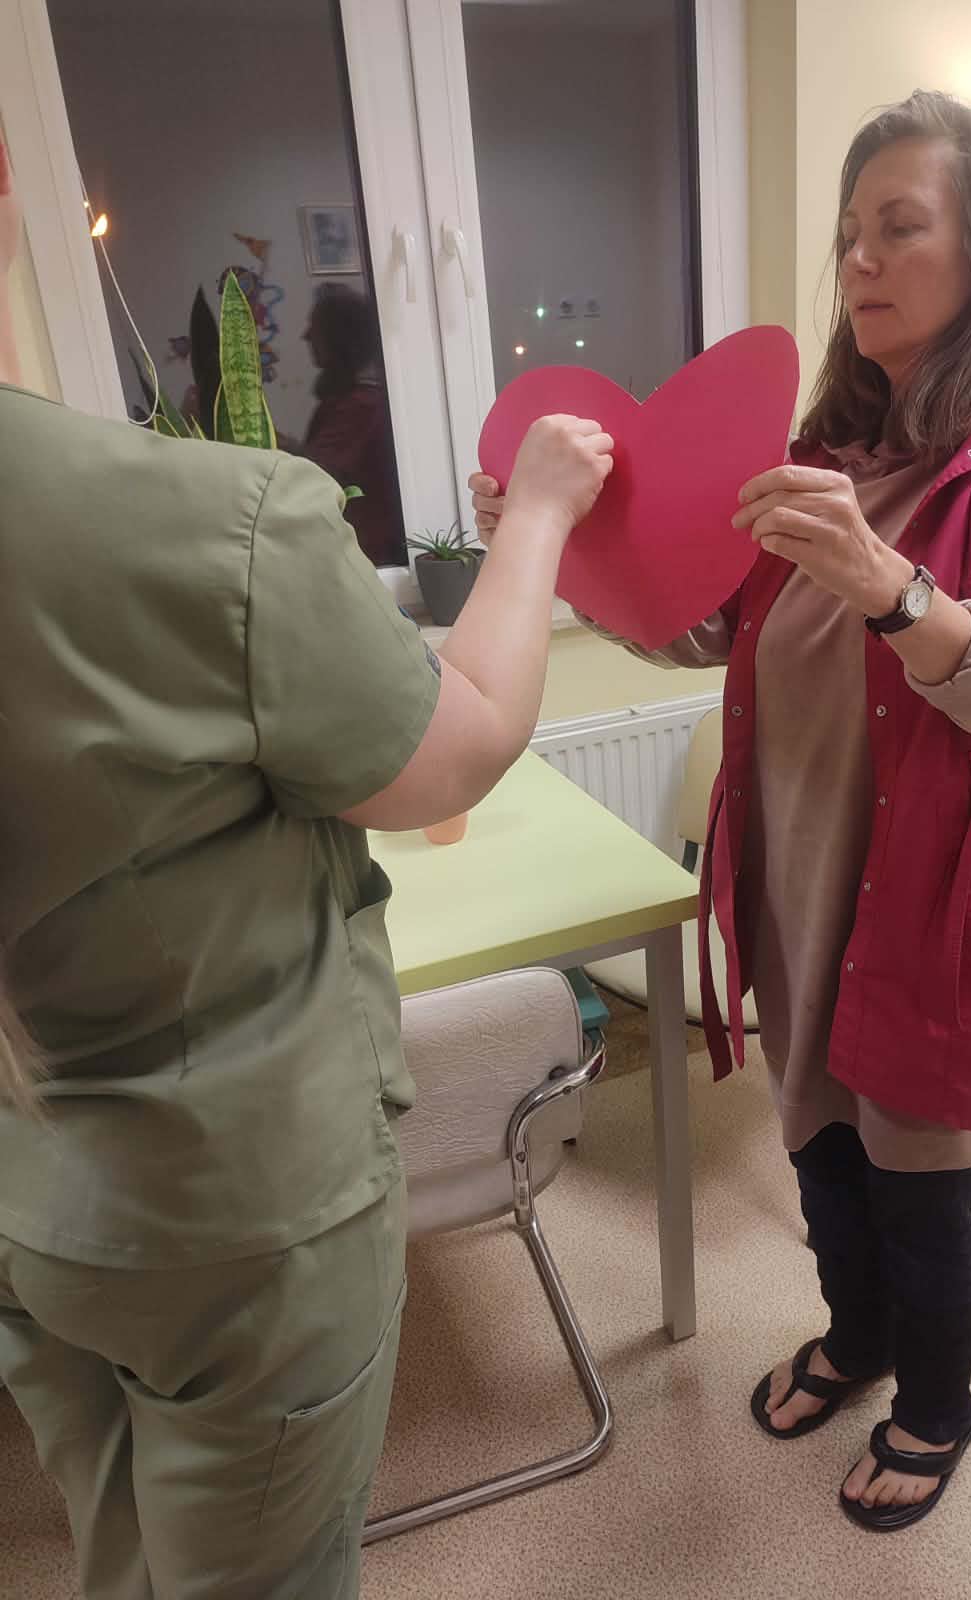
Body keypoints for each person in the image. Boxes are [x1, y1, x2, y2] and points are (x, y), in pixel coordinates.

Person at [472, 90, 971, 1531]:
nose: (859, 260)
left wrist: (889, 584)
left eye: (899, 226)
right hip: (793, 873)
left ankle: (938, 1404)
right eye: (849, 233)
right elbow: (708, 632)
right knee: (818, 1139)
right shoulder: (826, 450)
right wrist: (552, 546)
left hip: (934, 886)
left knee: (918, 1174)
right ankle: (858, 1335)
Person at [0, 135, 612, 1599]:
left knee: (123, 1556)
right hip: (235, 1214)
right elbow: (457, 747)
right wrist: (538, 512)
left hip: (35, 1189)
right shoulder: (210, 517)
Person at [296, 283, 407, 567]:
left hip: (368, 556)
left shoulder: (361, 405)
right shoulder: (347, 399)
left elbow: (315, 474)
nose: (305, 335)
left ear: (338, 338)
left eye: (314, 328)